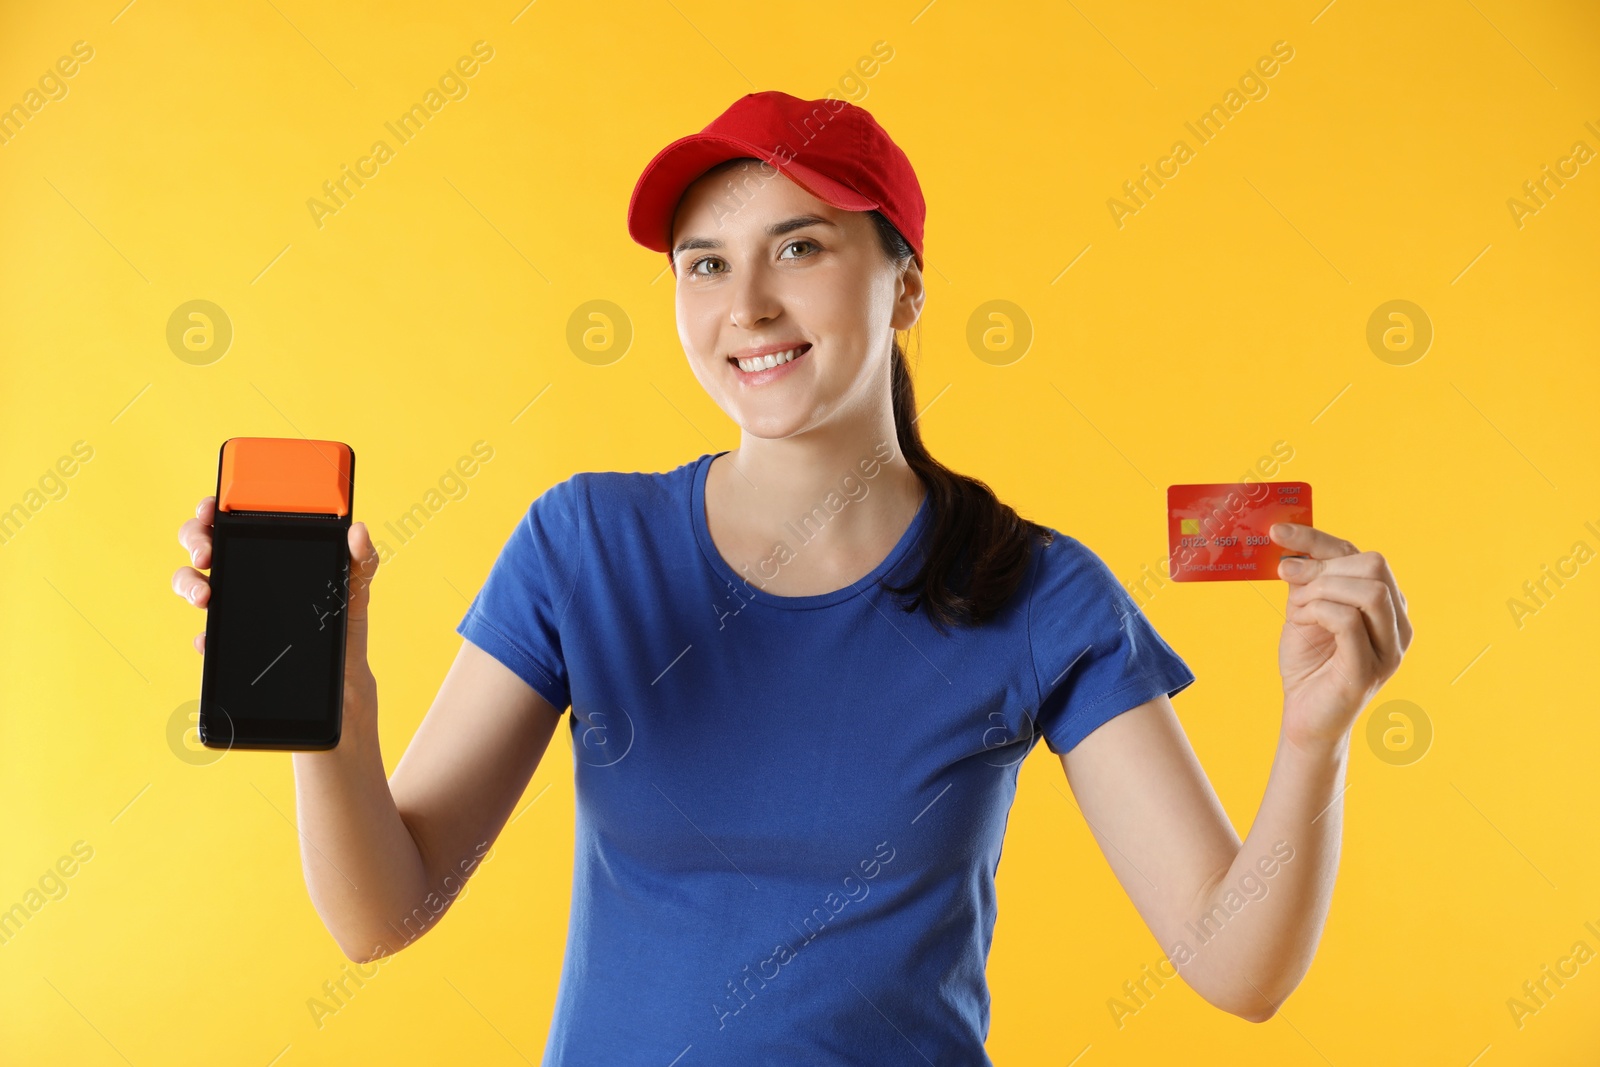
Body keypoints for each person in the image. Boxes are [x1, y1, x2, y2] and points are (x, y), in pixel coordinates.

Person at [171, 91, 1412, 1063]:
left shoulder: (1038, 590)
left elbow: (1236, 965)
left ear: (905, 283)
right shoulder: (584, 547)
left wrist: (1315, 734)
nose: (746, 305)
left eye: (799, 247)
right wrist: (329, 704)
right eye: (703, 263)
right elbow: (381, 911)